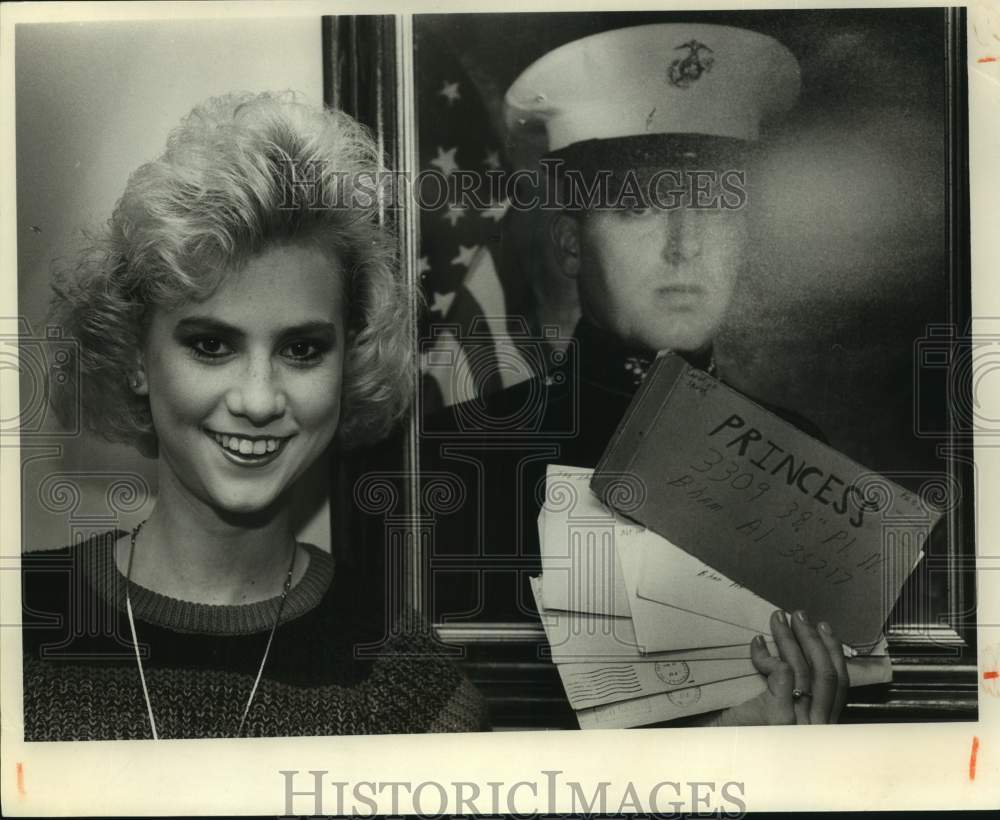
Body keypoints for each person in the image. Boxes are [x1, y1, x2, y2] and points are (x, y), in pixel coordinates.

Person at [21, 91, 490, 740]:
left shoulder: (405, 684)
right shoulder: (16, 626)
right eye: (211, 345)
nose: (260, 399)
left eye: (302, 350)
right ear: (136, 354)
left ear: (348, 363)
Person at [422, 24, 847, 726]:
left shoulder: (802, 458)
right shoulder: (460, 464)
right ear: (569, 244)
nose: (685, 246)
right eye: (639, 206)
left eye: (716, 204)